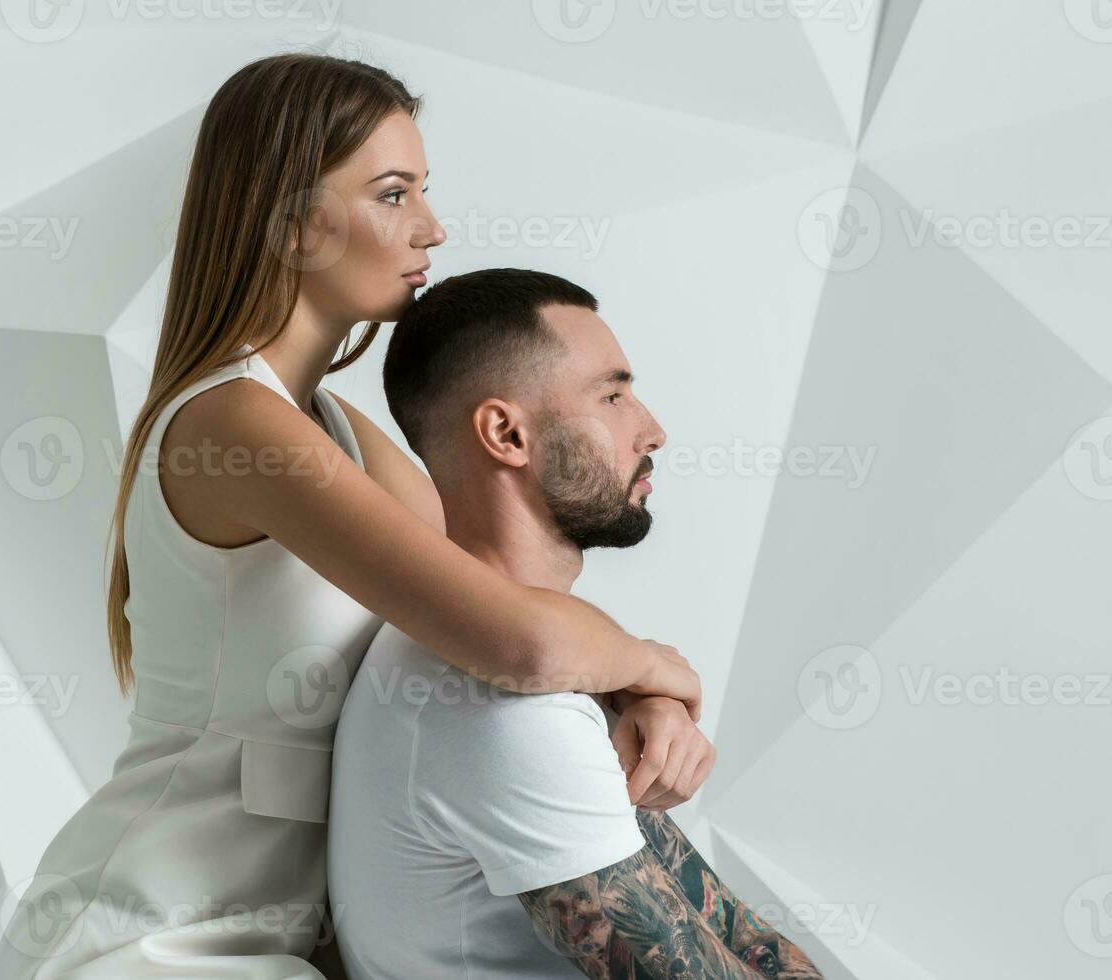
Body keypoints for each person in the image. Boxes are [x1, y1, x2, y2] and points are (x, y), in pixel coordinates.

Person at [0, 54, 701, 980]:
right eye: (393, 194)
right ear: (288, 223)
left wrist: (632, 694)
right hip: (152, 940)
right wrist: (659, 667)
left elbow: (499, 608)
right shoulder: (233, 424)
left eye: (423, 192)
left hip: (290, 948)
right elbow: (520, 644)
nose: (432, 228)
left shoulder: (335, 435)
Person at [328, 268, 825, 979]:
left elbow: (742, 940)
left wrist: (644, 684)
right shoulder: (507, 710)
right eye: (613, 395)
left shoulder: (524, 659)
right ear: (506, 433)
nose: (652, 429)